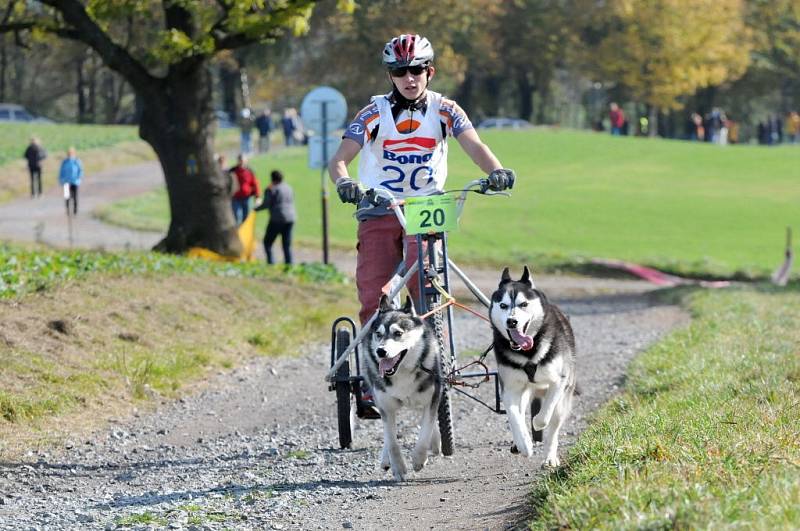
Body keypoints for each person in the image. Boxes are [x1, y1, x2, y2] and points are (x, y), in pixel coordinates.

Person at [328, 34, 515, 416]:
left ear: (429, 71)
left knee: (429, 290)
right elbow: (340, 159)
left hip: (428, 209)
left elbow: (474, 145)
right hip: (379, 209)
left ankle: (437, 363)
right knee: (375, 294)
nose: (409, 78)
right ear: (390, 75)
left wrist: (496, 171)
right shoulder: (373, 113)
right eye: (400, 71)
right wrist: (346, 182)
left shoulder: (446, 110)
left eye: (416, 70)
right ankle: (373, 380)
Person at [255, 170, 296, 264]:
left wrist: (255, 209)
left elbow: (266, 204)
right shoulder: (288, 187)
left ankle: (271, 263)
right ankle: (289, 264)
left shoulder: (271, 189)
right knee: (286, 244)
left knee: (267, 242)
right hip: (291, 218)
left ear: (272, 178)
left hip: (277, 219)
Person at [230, 154, 260, 224]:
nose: (241, 162)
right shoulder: (232, 171)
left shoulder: (250, 171)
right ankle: (237, 231)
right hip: (235, 198)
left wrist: (257, 196)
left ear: (246, 161)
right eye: (240, 160)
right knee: (236, 216)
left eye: (243, 161)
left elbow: (255, 184)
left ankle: (244, 232)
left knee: (246, 217)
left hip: (247, 198)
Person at [58, 147, 83, 215]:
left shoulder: (76, 161)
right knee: (67, 196)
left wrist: (78, 178)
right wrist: (61, 179)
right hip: (66, 182)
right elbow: (61, 171)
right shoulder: (64, 162)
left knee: (75, 196)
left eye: (71, 153)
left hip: (75, 182)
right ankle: (68, 210)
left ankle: (75, 210)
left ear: (74, 153)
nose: (70, 154)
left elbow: (80, 170)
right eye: (69, 153)